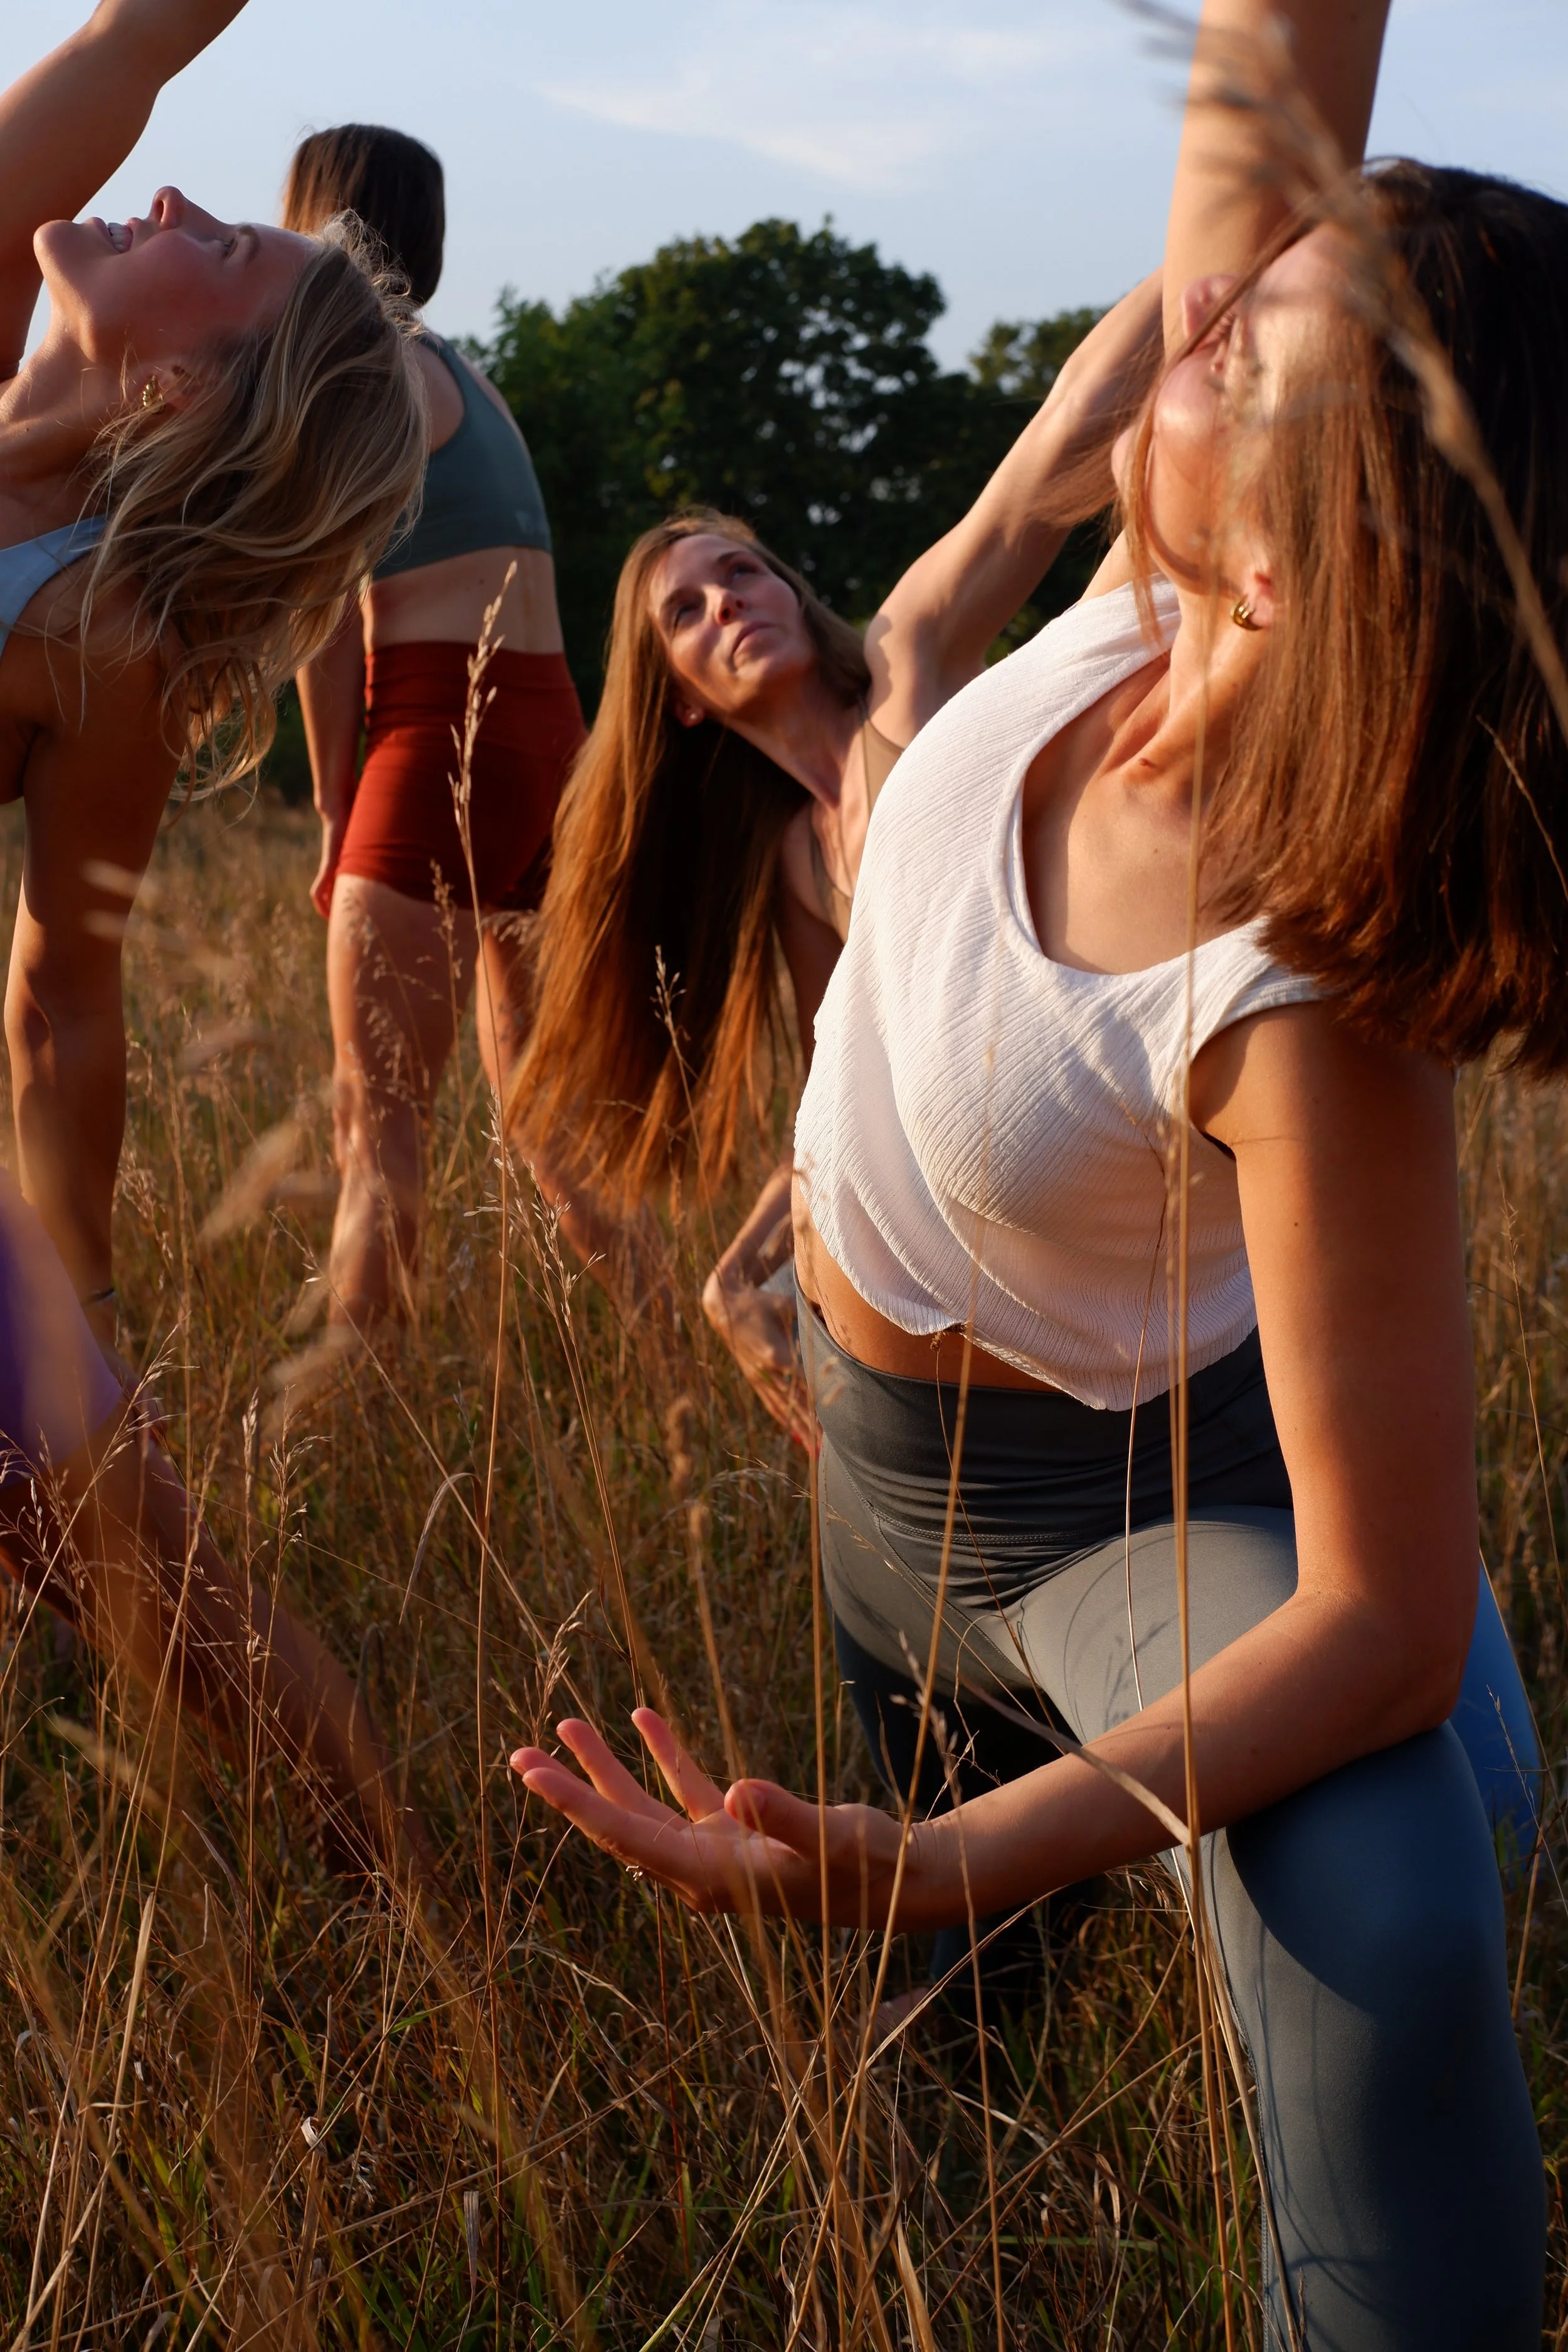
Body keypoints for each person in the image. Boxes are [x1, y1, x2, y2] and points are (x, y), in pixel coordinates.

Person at [512, 0, 1560, 2339]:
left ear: (1312, 563)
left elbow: (1375, 1608)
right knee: (930, 2095)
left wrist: (951, 1853)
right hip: (869, 1489)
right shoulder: (1147, 605)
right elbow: (1276, 56)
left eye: (1245, 345)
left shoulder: (1304, 1002)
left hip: (1120, 1526)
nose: (1202, 307)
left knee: (1387, 1897)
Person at [0, 1, 428, 1872]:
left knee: (129, 1553)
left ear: (191, 392)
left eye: (218, 248)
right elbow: (133, 37)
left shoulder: (87, 627)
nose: (167, 193)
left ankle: (433, 1911)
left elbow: (64, 991)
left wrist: (63, 1320)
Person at [511, 283, 1163, 1437]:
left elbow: (1055, 443)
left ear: (796, 597)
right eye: (688, 613)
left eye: (742, 574)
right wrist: (737, 1275)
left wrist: (1209, 258)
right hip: (1012, 1230)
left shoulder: (911, 679)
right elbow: (853, 1108)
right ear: (685, 704)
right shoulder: (796, 870)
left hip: (1127, 1111)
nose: (727, 604)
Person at [280, 125, 584, 1337]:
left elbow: (318, 613)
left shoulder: (345, 367)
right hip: (555, 734)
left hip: (435, 729)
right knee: (550, 1126)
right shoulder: (468, 373)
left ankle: (348, 1440)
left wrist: (330, 805)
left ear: (312, 214)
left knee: (378, 1129)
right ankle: (684, 1374)